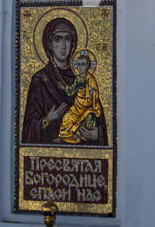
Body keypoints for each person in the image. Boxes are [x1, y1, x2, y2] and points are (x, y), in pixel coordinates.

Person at [21, 17, 108, 146]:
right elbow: (28, 130)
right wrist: (48, 119)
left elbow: (98, 114)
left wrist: (98, 134)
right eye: (58, 39)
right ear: (49, 44)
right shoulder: (40, 79)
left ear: (73, 45)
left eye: (67, 39)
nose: (63, 46)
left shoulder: (84, 77)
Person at [58, 49, 103, 144]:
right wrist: (64, 88)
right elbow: (71, 91)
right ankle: (65, 135)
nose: (80, 67)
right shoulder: (78, 79)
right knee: (67, 117)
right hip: (77, 106)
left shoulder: (90, 79)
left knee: (88, 121)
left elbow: (95, 95)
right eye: (78, 64)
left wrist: (92, 94)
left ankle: (78, 137)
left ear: (88, 66)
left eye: (83, 64)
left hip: (88, 107)